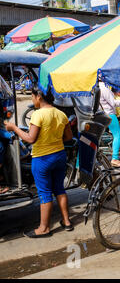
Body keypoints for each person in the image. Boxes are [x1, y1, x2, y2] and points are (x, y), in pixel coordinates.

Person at [5, 87, 73, 237]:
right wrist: (53, 140)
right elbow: (68, 137)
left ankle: (44, 228)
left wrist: (14, 128)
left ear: (39, 97)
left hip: (42, 159)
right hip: (59, 156)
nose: (31, 99)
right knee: (59, 189)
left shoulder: (38, 115)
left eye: (32, 96)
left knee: (44, 193)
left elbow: (30, 138)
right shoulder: (61, 114)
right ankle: (67, 221)